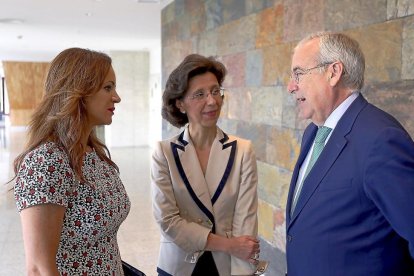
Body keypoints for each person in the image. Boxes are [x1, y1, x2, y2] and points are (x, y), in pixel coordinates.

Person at [285, 31, 414, 275]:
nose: (291, 86)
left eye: (298, 74)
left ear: (333, 72)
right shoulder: (313, 132)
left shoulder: (381, 140)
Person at [13, 48, 130, 275]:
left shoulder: (93, 152)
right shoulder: (47, 162)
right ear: (79, 92)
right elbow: (38, 268)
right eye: (108, 87)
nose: (117, 97)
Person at [151, 54, 260, 276]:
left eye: (215, 91)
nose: (212, 101)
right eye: (199, 94)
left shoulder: (242, 151)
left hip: (227, 267)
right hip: (179, 266)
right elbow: (168, 221)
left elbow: (245, 223)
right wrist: (229, 245)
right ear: (180, 103)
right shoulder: (164, 153)